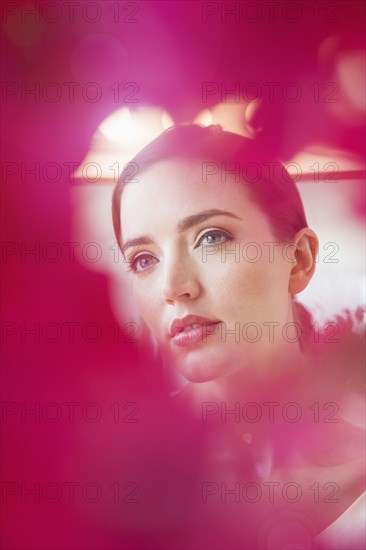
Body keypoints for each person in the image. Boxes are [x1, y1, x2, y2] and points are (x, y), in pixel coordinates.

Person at [111, 124, 365, 549]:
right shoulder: (108, 475)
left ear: (299, 259)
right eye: (143, 259)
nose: (172, 286)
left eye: (211, 237)